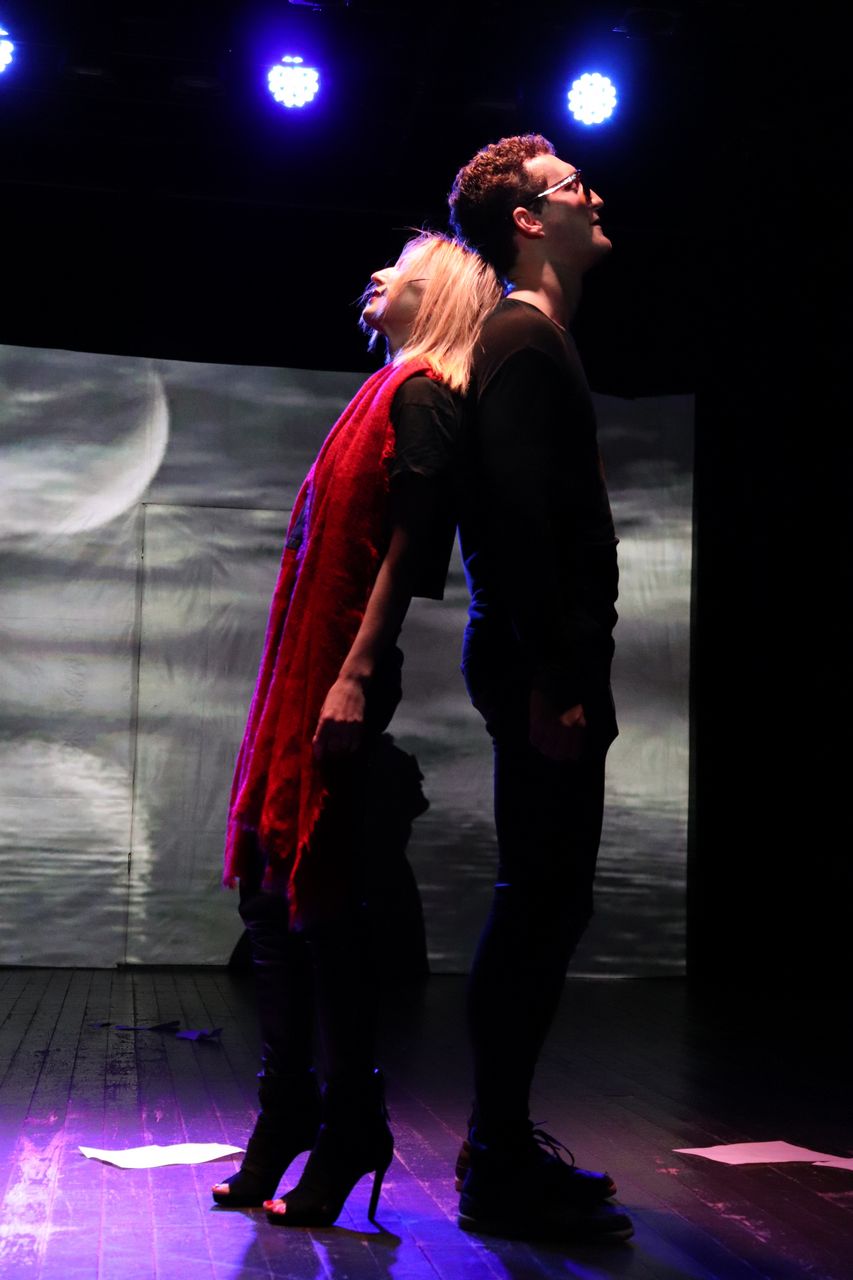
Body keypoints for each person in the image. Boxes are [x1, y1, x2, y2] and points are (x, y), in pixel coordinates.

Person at [212, 231, 501, 1227]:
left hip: (341, 672)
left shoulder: (422, 396)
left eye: (400, 272)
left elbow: (411, 549)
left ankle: (350, 1123)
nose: (375, 277)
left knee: (322, 905)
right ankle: (288, 1110)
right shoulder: (379, 393)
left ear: (438, 297)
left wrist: (356, 669)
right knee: (271, 896)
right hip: (306, 675)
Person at [447, 135, 632, 1241]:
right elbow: (514, 526)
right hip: (539, 669)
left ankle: (502, 1147)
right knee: (537, 903)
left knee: (549, 903)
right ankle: (497, 1158)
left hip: (545, 664)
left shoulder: (536, 338)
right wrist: (555, 675)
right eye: (572, 185)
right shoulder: (520, 337)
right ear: (526, 219)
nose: (593, 194)